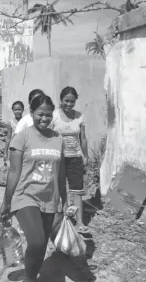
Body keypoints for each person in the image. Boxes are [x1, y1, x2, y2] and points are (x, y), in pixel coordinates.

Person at [0, 94, 67, 282]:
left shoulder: (58, 140)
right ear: (31, 112)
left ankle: (30, 275)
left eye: (48, 115)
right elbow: (14, 173)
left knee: (42, 245)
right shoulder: (22, 137)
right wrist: (6, 202)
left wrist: (65, 199)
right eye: (40, 114)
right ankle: (29, 277)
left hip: (50, 198)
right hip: (26, 196)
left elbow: (61, 173)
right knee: (36, 240)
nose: (44, 119)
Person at [52, 86, 89, 234]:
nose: (69, 104)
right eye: (66, 101)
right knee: (61, 189)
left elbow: (83, 138)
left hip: (75, 157)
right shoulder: (54, 116)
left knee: (77, 190)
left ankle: (79, 222)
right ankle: (65, 217)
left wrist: (85, 156)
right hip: (58, 158)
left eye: (72, 102)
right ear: (61, 100)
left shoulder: (80, 116)